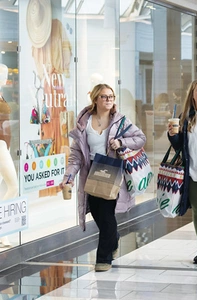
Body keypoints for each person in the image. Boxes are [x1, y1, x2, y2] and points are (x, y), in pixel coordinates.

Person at [59, 83, 146, 272]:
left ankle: (103, 258)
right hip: (92, 173)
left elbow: (140, 138)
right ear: (96, 99)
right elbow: (76, 155)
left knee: (106, 215)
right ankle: (113, 240)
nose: (109, 100)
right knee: (97, 213)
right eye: (105, 97)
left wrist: (121, 142)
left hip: (113, 172)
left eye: (111, 97)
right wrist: (69, 177)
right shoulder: (84, 123)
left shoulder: (121, 121)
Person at [167, 78, 197, 268]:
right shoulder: (186, 117)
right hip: (191, 170)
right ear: (193, 94)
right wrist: (173, 135)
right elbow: (180, 145)